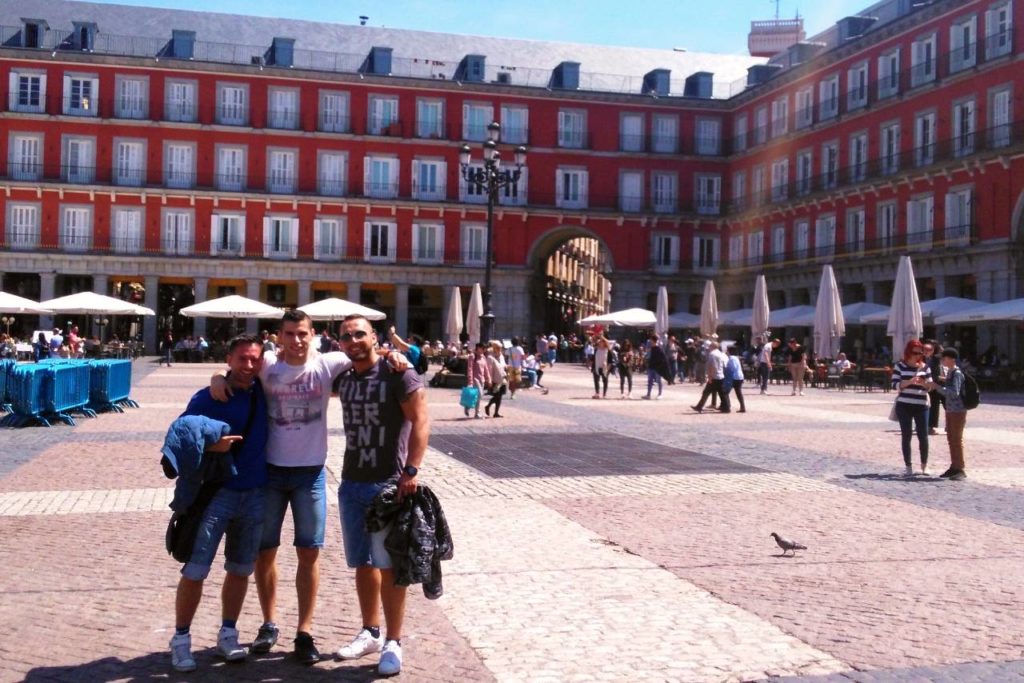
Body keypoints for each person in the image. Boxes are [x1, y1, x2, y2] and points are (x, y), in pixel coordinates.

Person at [167, 334, 269, 672]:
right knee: (196, 569)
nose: (249, 365)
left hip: (254, 493)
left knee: (240, 569)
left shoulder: (264, 393)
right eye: (242, 358)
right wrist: (213, 446)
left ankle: (228, 633)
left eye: (255, 359)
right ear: (229, 359)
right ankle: (181, 639)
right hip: (217, 495)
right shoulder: (209, 397)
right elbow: (181, 439)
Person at [335, 314, 429, 676]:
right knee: (363, 563)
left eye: (360, 333)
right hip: (352, 482)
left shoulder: (398, 373)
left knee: (388, 566)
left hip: (389, 482)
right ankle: (370, 632)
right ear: (340, 343)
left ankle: (394, 641)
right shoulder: (344, 379)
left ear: (374, 337)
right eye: (347, 336)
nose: (353, 339)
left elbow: (421, 420)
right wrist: (220, 378)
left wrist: (411, 470)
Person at [892, 339, 936, 476]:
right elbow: (894, 385)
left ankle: (924, 465)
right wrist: (909, 382)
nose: (918, 355)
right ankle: (908, 466)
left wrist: (924, 384)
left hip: (921, 405)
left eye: (920, 352)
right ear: (908, 352)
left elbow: (930, 387)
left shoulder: (925, 367)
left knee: (923, 435)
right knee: (907, 435)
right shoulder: (900, 366)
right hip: (904, 405)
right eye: (915, 352)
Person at [939, 348, 968, 480]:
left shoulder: (957, 373)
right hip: (950, 410)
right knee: (951, 438)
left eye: (944, 358)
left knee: (956, 438)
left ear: (952, 359)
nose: (942, 360)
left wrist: (937, 387)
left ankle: (960, 468)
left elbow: (954, 392)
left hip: (957, 410)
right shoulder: (950, 372)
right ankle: (954, 466)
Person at [692, 341, 729, 413]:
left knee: (706, 392)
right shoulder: (720, 354)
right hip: (720, 375)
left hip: (714, 377)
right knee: (722, 393)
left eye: (710, 346)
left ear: (713, 346)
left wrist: (710, 377)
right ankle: (726, 407)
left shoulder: (712, 354)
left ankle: (699, 406)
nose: (709, 347)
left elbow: (713, 366)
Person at [923, 340, 944, 435]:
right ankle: (928, 426)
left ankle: (929, 426)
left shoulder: (934, 358)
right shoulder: (931, 358)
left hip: (933, 384)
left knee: (932, 405)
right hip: (931, 384)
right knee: (931, 405)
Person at [465, 343, 491, 419]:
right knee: (480, 394)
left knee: (477, 396)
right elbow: (470, 369)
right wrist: (470, 381)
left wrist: (488, 379)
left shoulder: (483, 357)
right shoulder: (472, 356)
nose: (484, 350)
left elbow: (486, 369)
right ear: (478, 348)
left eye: (485, 349)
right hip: (475, 379)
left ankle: (470, 407)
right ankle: (477, 412)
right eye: (483, 348)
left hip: (481, 379)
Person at [484, 340, 508, 418]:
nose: (500, 349)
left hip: (502, 379)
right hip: (495, 379)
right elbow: (489, 369)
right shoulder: (490, 358)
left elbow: (503, 365)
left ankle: (496, 412)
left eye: (500, 348)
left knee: (500, 396)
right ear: (494, 348)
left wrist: (506, 368)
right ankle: (488, 406)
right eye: (498, 348)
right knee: (497, 396)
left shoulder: (501, 356)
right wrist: (489, 380)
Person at [643, 335, 669, 399]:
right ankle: (648, 394)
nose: (650, 341)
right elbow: (648, 354)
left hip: (657, 366)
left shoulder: (659, 346)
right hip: (651, 365)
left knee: (658, 380)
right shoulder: (650, 347)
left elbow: (662, 356)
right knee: (650, 380)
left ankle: (660, 394)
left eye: (651, 340)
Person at [725, 346, 747, 413]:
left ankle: (727, 407)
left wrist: (726, 368)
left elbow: (733, 368)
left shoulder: (732, 358)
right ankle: (742, 407)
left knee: (725, 392)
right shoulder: (736, 358)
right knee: (738, 392)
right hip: (739, 377)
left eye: (727, 350)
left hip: (734, 377)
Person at [591, 334, 611, 399]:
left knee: (605, 380)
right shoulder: (596, 349)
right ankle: (597, 393)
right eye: (599, 342)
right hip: (596, 367)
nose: (600, 343)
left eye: (601, 342)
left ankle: (604, 394)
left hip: (605, 367)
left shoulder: (607, 350)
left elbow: (610, 361)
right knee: (596, 380)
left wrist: (602, 337)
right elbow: (593, 358)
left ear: (604, 343)